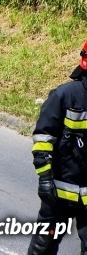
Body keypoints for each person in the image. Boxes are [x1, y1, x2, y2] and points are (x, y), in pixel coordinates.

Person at [27, 41, 87, 254]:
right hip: (59, 192)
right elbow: (43, 139)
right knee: (43, 246)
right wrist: (45, 179)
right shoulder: (64, 95)